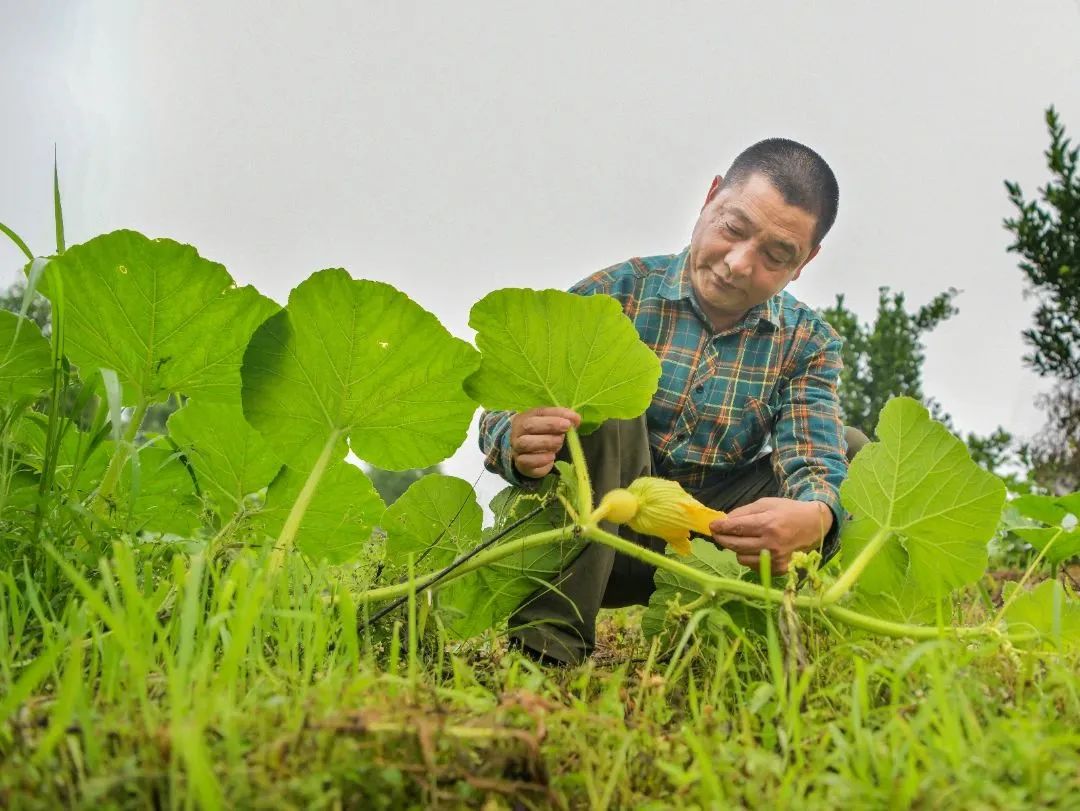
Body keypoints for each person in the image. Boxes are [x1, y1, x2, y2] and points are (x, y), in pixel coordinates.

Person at [478, 138, 867, 665]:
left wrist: (819, 517)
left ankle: (760, 644)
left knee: (854, 453)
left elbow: (814, 453)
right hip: (596, 538)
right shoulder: (612, 296)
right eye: (732, 227)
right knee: (603, 405)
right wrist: (515, 436)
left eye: (776, 256)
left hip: (711, 549)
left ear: (804, 263)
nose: (737, 264)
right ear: (710, 198)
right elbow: (503, 409)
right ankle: (547, 650)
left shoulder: (806, 342)